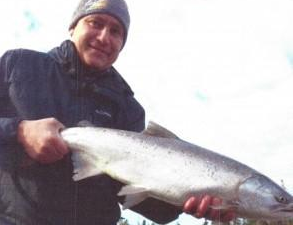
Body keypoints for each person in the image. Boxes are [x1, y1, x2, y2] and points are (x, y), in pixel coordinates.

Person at [0, 0, 235, 224]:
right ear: (73, 27)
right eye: (95, 23)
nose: (104, 37)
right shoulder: (18, 65)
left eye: (115, 32)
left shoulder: (128, 109)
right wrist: (19, 131)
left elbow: (133, 195)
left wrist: (182, 201)